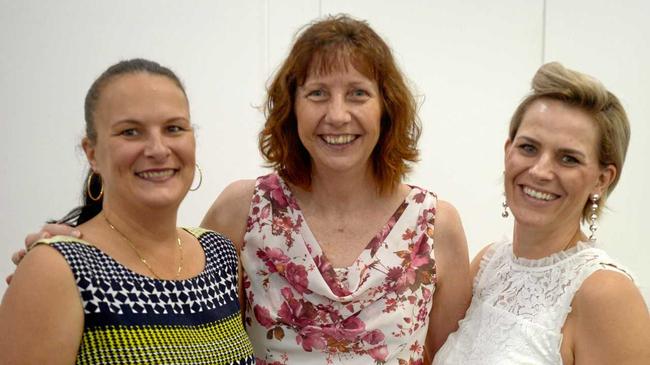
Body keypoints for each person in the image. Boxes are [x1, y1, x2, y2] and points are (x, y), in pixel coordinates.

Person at [14, 15, 471, 364]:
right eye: (316, 94)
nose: (336, 115)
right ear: (290, 109)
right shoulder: (245, 209)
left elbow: (453, 357)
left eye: (357, 93)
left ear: (386, 108)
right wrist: (71, 249)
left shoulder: (435, 224)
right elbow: (164, 282)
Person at [0, 59, 255, 364]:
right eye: (131, 132)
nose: (158, 149)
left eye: (173, 128)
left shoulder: (221, 255)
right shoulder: (59, 268)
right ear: (91, 153)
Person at [433, 62, 650, 364]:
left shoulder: (607, 295)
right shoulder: (488, 264)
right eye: (529, 148)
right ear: (508, 151)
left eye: (568, 158)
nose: (540, 171)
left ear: (602, 179)